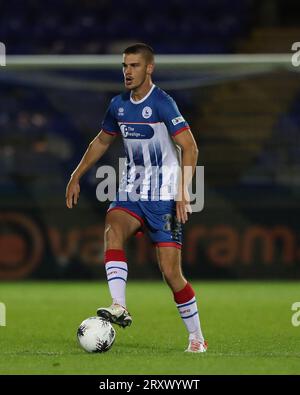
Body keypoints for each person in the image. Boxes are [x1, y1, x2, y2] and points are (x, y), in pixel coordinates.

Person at [66, 43, 207, 353]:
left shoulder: (162, 103)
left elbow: (190, 147)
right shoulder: (117, 105)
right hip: (131, 191)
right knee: (112, 226)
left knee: (171, 274)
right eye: (124, 66)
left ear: (149, 69)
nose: (127, 71)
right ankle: (119, 305)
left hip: (164, 197)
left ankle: (196, 336)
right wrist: (76, 174)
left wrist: (183, 192)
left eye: (134, 66)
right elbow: (102, 141)